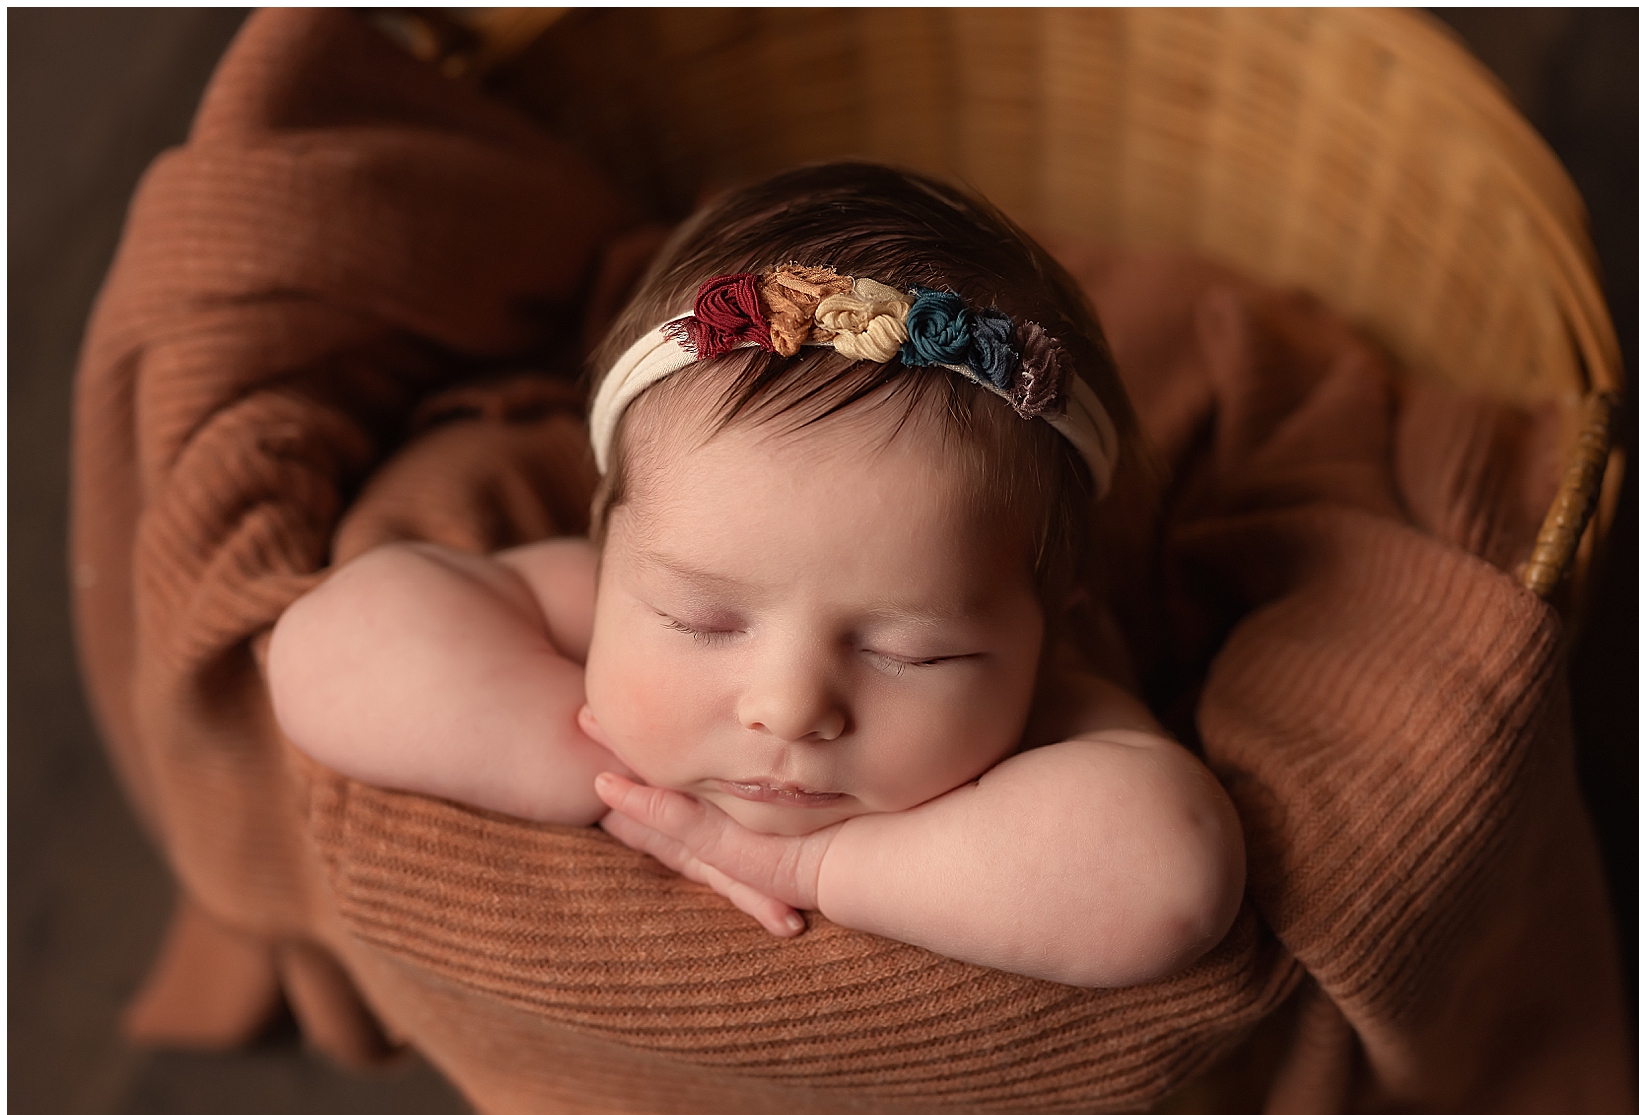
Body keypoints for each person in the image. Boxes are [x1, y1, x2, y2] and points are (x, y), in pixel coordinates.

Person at [267, 163, 1245, 990]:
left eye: (910, 649)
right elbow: (327, 648)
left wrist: (812, 863)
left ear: (1049, 624)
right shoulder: (594, 599)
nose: (788, 706)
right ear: (606, 548)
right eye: (703, 622)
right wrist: (607, 782)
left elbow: (1171, 878)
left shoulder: (1050, 710)